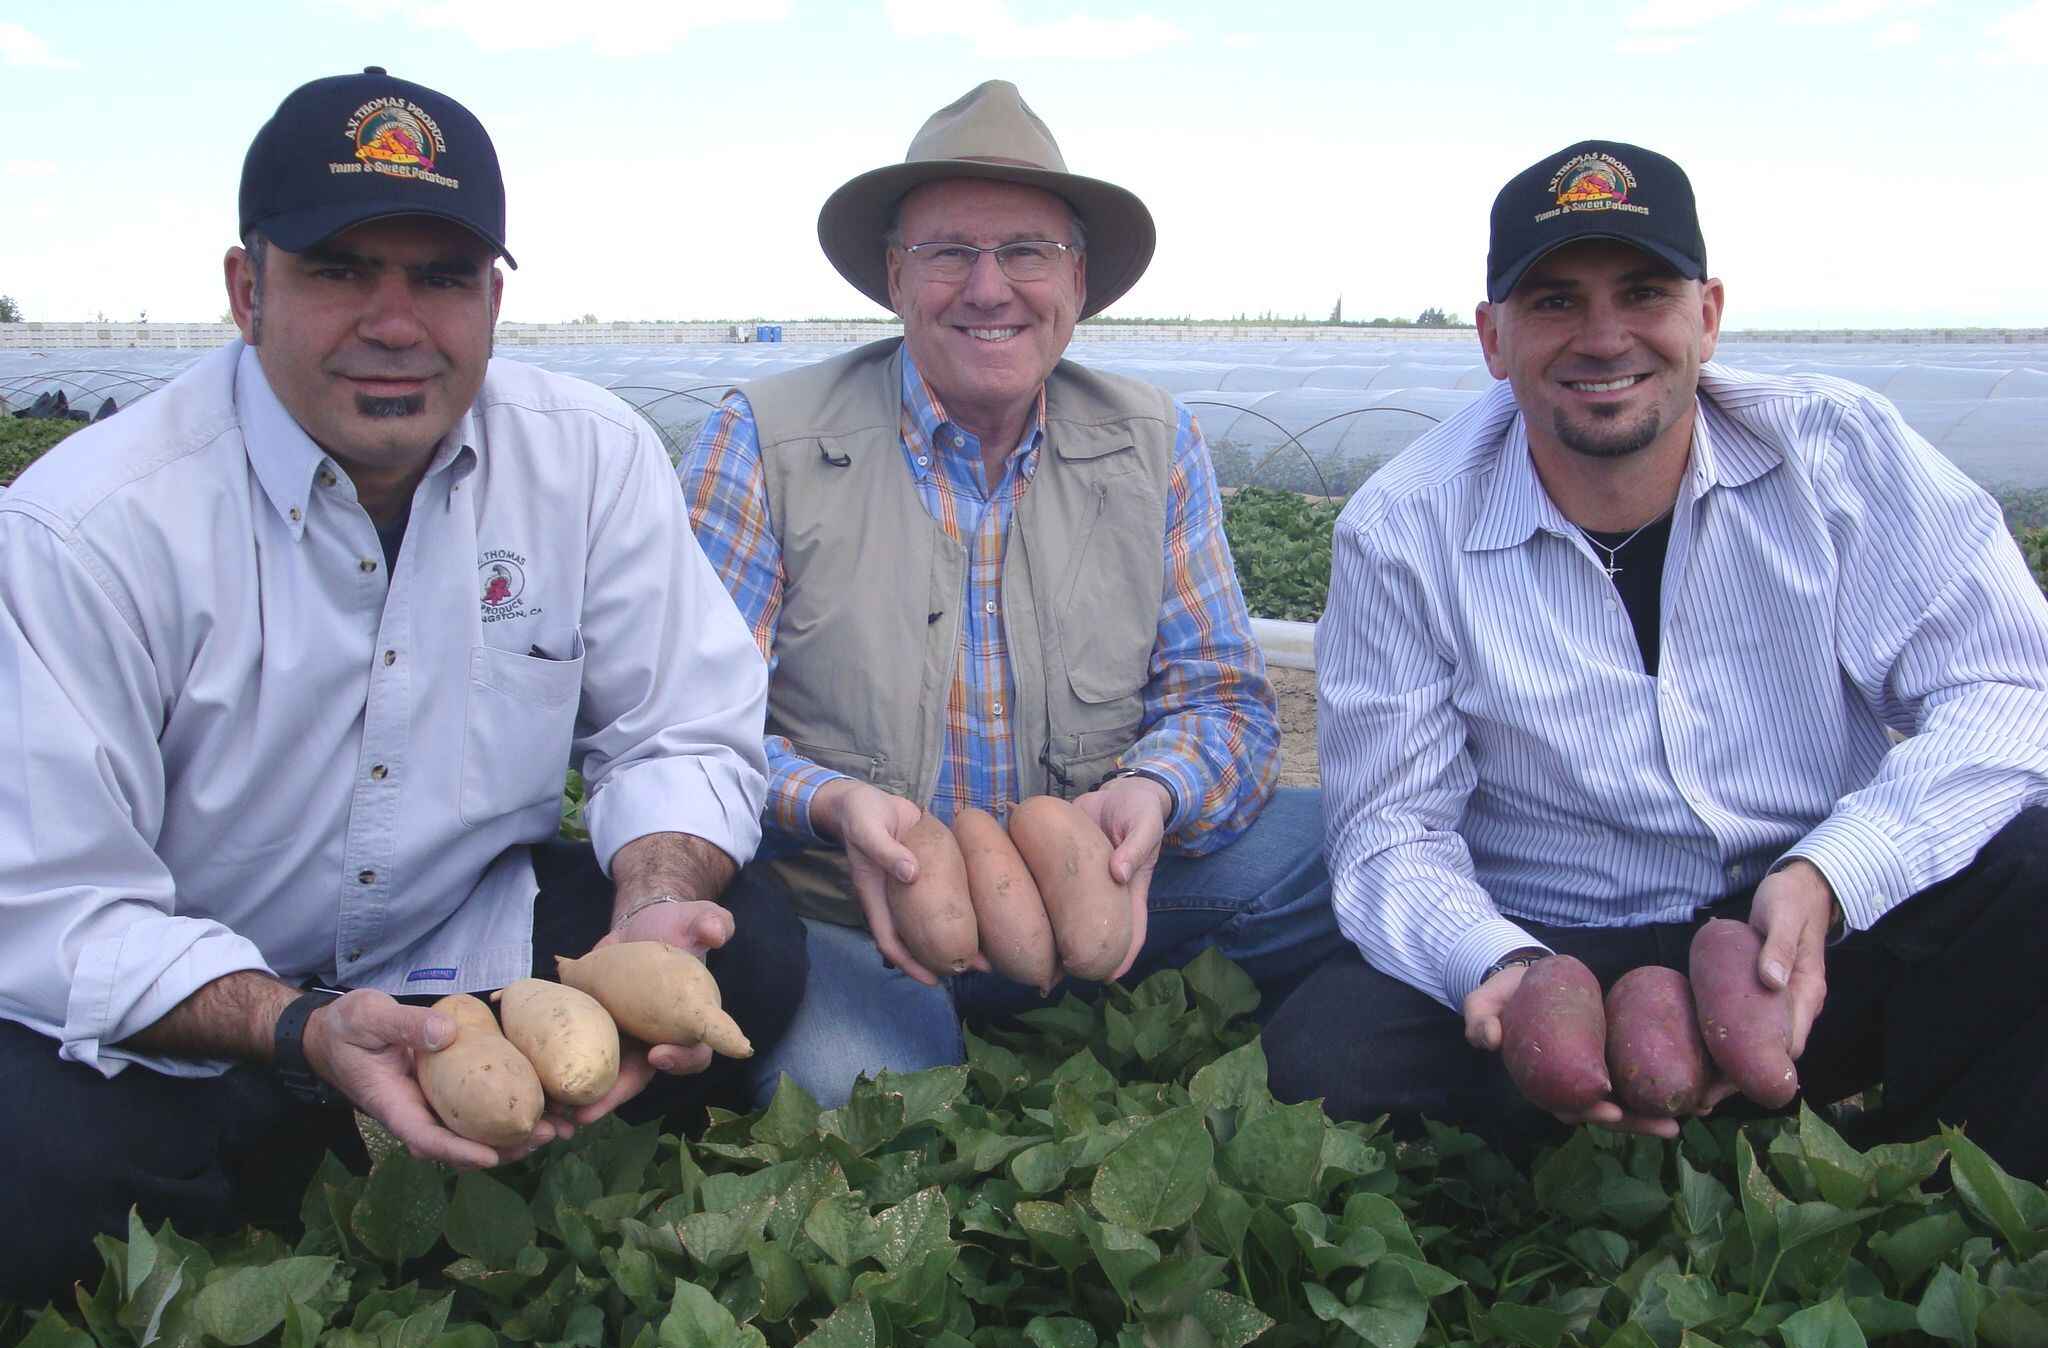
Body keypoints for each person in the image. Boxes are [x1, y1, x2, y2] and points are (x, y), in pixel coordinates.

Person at [0, 68, 806, 1304]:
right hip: (201, 997)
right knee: (26, 1163)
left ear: (492, 297)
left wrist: (651, 902)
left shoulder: (587, 458)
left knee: (741, 951)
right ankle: (343, 1139)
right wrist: (295, 1026)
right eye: (337, 269)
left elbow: (685, 728)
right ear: (243, 288)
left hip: (451, 943)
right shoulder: (86, 529)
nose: (395, 322)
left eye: (440, 276)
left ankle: (331, 1161)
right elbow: (51, 908)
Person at [1263, 140, 2048, 1179]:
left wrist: (1832, 871)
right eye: (1552, 302)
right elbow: (1388, 831)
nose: (1602, 338)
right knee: (1322, 1061)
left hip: (1810, 925)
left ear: (1706, 316)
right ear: (1491, 337)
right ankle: (1659, 1114)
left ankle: (1942, 1179)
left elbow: (2004, 689)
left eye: (1642, 292)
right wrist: (1505, 971)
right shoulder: (1402, 527)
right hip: (1560, 938)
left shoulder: (1837, 452)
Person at [683, 81, 1340, 1106]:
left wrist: (1156, 793)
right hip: (856, 910)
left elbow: (1224, 698)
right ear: (896, 277)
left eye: (1025, 252)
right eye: (949, 252)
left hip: (1104, 884)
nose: (989, 288)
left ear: (1075, 281)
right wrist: (830, 806)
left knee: (1353, 852)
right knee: (856, 1106)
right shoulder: (764, 442)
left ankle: (1072, 971)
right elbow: (691, 725)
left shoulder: (1151, 443)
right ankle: (920, 1015)